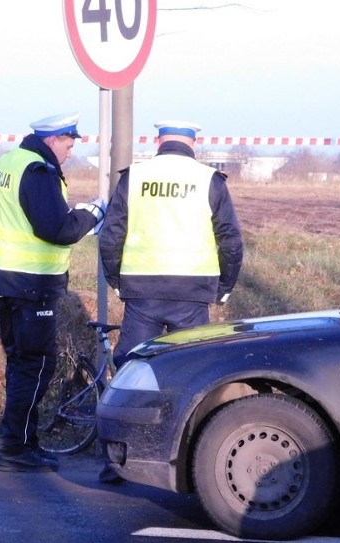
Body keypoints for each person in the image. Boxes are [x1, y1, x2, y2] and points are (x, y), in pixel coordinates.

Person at [97, 119, 243, 481]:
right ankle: (189, 460)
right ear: (194, 142)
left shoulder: (136, 177)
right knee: (194, 373)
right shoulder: (209, 180)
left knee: (133, 370)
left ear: (158, 140)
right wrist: (224, 286)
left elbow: (111, 234)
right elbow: (230, 240)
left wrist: (117, 280)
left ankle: (119, 460)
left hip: (143, 291)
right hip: (193, 295)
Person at [0, 113, 105, 473]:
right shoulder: (38, 171)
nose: (70, 152)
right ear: (54, 140)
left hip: (6, 280)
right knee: (36, 366)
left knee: (22, 364)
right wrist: (91, 214)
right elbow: (57, 228)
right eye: (69, 145)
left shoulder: (9, 161)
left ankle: (23, 443)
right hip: (31, 284)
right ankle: (14, 449)